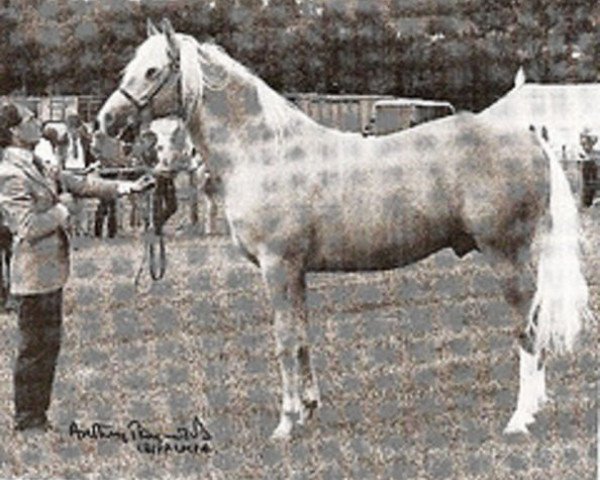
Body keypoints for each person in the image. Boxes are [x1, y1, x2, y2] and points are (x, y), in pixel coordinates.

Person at [0, 102, 153, 432]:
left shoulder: (36, 162)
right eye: (29, 119)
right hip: (32, 275)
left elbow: (81, 184)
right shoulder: (9, 174)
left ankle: (37, 416)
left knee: (47, 348)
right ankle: (27, 419)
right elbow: (26, 226)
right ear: (14, 131)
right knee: (33, 350)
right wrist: (63, 210)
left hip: (51, 272)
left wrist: (128, 187)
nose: (36, 121)